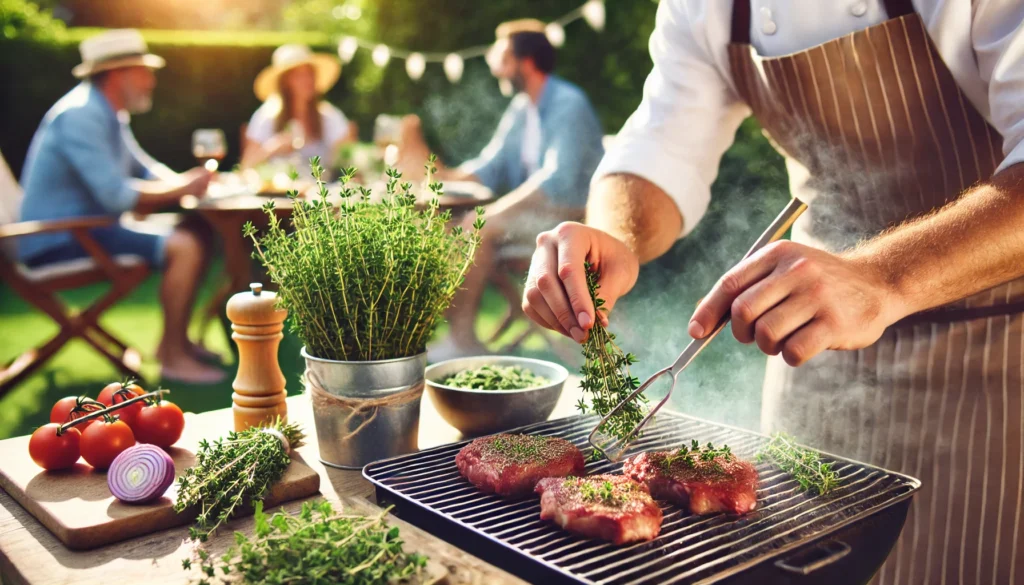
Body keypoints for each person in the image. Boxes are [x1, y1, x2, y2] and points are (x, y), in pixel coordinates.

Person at [521, 1, 1024, 583]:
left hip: (991, 365)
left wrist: (881, 278)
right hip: (807, 351)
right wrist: (610, 236)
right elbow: (661, 148)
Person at [19, 29, 224, 384]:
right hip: (60, 238)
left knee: (197, 231)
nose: (152, 81)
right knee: (185, 245)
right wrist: (183, 186)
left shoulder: (107, 113)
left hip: (89, 229)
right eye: (144, 71)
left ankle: (175, 344)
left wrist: (189, 181)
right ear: (118, 74)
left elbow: (145, 169)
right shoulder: (81, 115)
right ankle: (172, 357)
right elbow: (116, 196)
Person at [402, 19, 605, 360]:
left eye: (501, 57)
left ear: (523, 62)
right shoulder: (523, 109)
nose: (495, 68)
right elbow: (488, 168)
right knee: (453, 228)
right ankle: (454, 334)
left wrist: (495, 213)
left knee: (479, 227)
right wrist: (435, 174)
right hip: (542, 217)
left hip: (573, 219)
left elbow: (558, 179)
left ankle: (463, 340)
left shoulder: (568, 104)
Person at [241, 44, 355, 170]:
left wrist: (339, 155)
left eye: (310, 74)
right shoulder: (267, 117)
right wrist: (272, 149)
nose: (307, 80)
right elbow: (246, 166)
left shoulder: (329, 116)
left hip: (321, 188)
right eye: (299, 75)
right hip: (278, 189)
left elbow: (347, 160)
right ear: (285, 82)